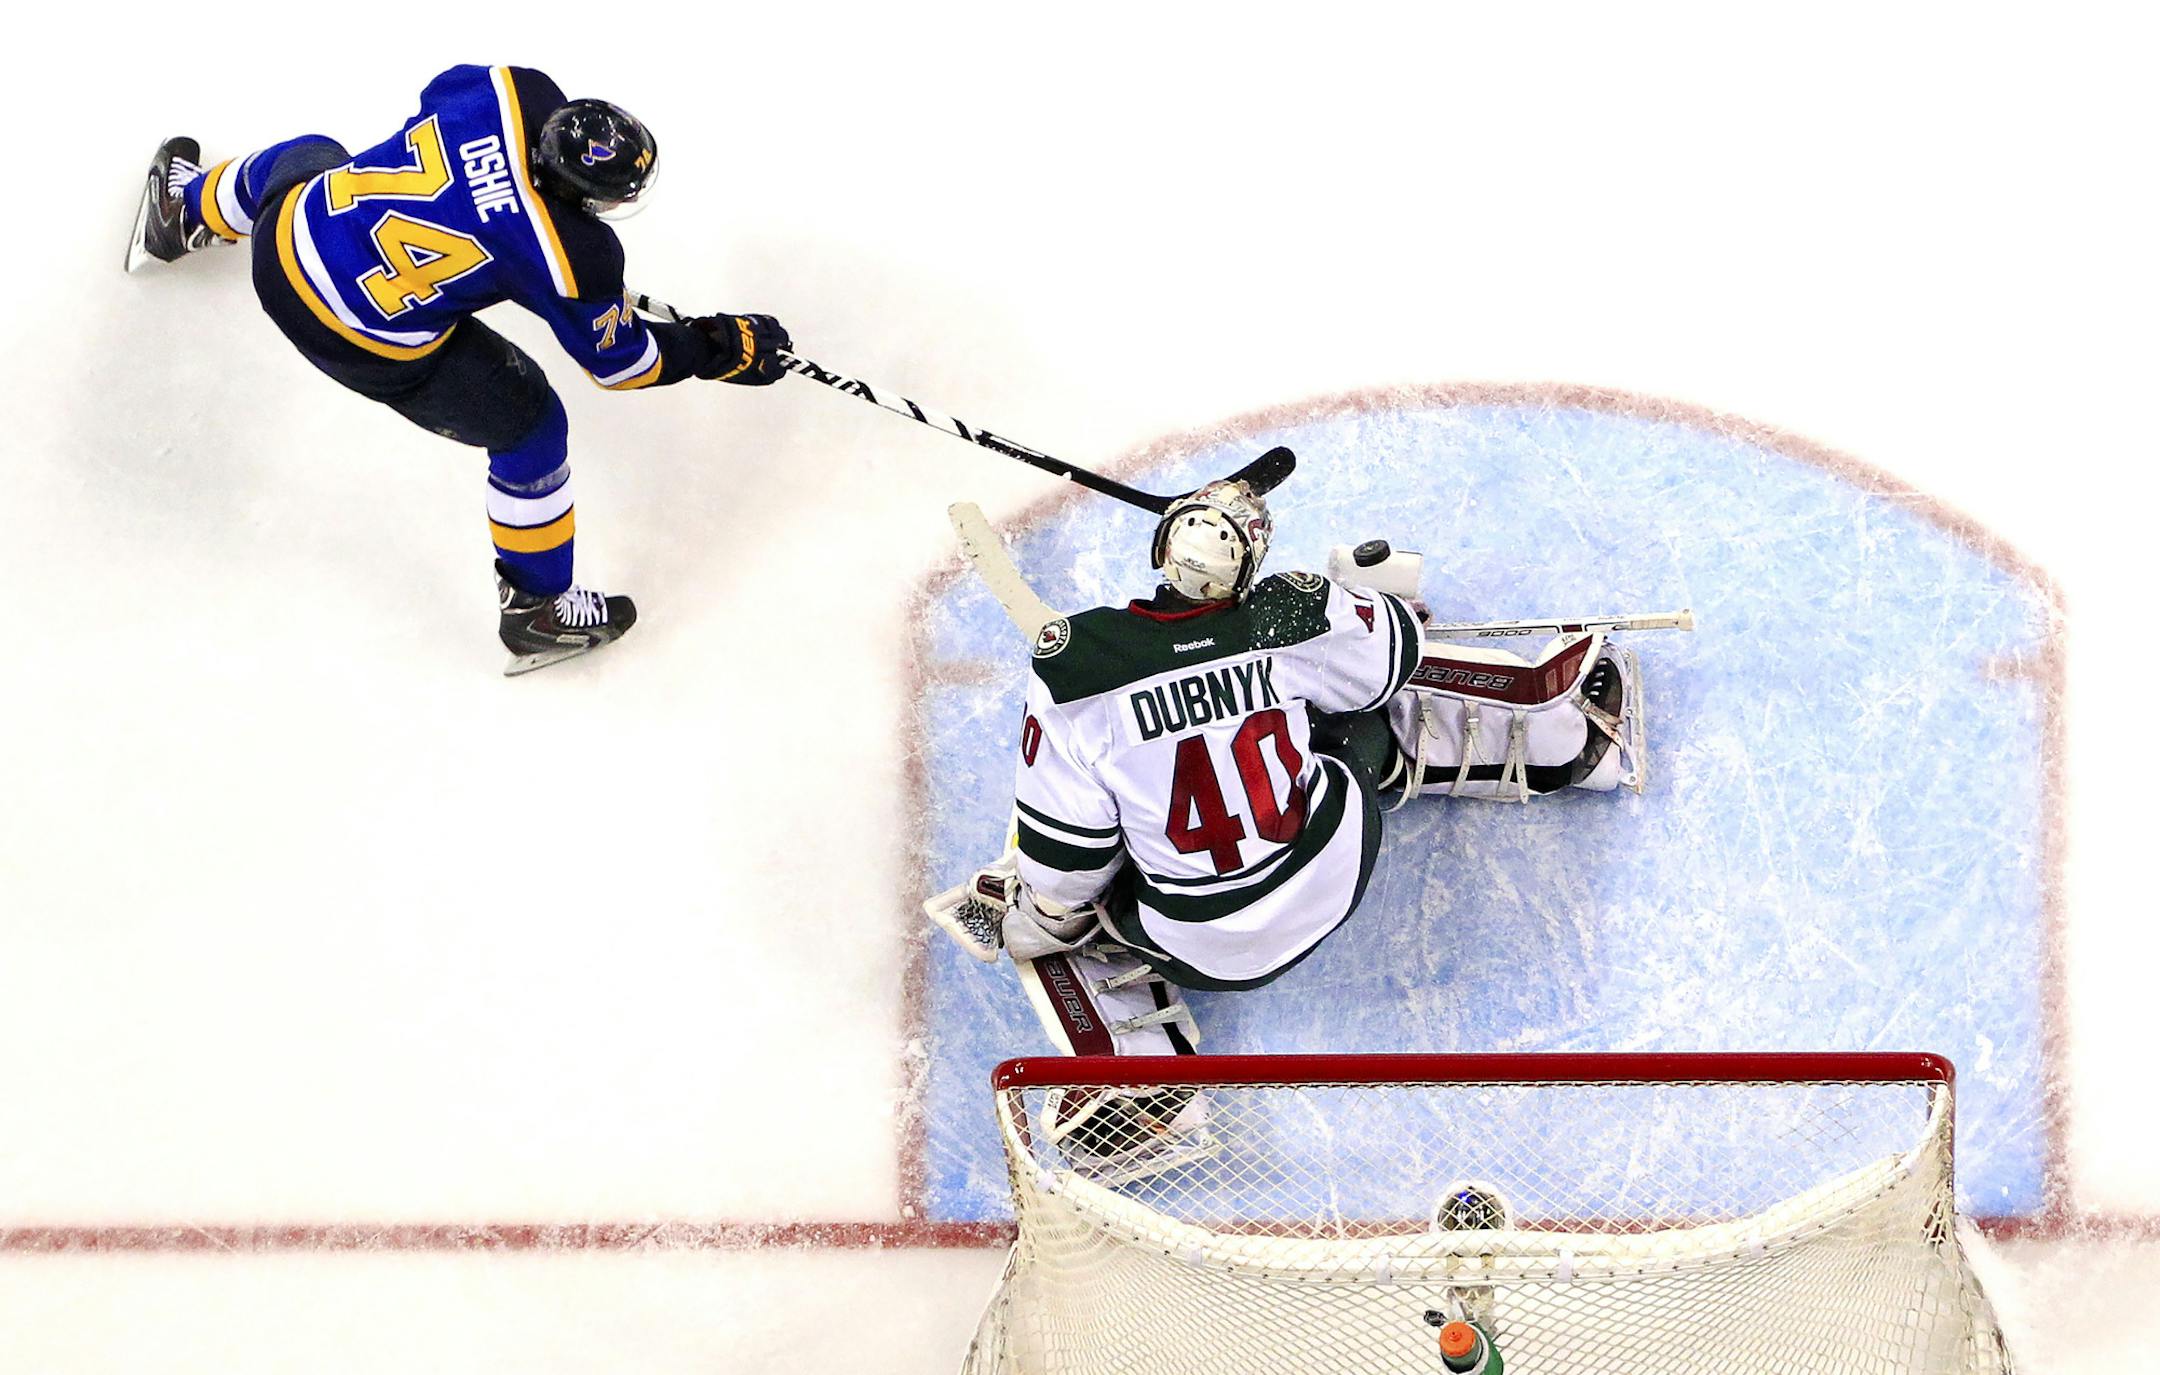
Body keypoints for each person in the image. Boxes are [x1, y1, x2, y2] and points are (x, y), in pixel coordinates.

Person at [927, 471, 1646, 1174]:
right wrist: (1362, 601)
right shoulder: (1287, 613)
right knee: (1361, 716)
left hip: (1199, 946)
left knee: (1064, 920)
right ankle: (1565, 741)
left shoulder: (1077, 669)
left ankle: (1148, 1096)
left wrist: (1042, 918)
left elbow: (1066, 859)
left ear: (1161, 550)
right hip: (1331, 873)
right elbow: (1397, 648)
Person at [126, 64, 791, 673]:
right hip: (350, 335)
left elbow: (434, 121)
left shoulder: (511, 90)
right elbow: (625, 362)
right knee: (532, 428)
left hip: (284, 240)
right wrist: (717, 348)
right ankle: (539, 610)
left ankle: (183, 209)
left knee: (312, 157)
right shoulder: (574, 254)